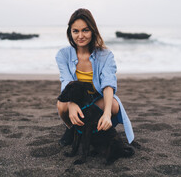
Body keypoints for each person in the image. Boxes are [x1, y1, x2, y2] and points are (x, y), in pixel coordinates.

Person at [55, 8, 135, 146]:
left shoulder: (105, 55)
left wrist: (107, 114)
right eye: (76, 31)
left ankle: (97, 127)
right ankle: (72, 129)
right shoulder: (63, 55)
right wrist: (71, 103)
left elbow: (108, 84)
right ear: (70, 33)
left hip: (96, 100)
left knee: (114, 106)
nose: (80, 35)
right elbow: (66, 81)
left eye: (85, 30)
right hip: (77, 99)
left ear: (93, 31)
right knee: (62, 105)